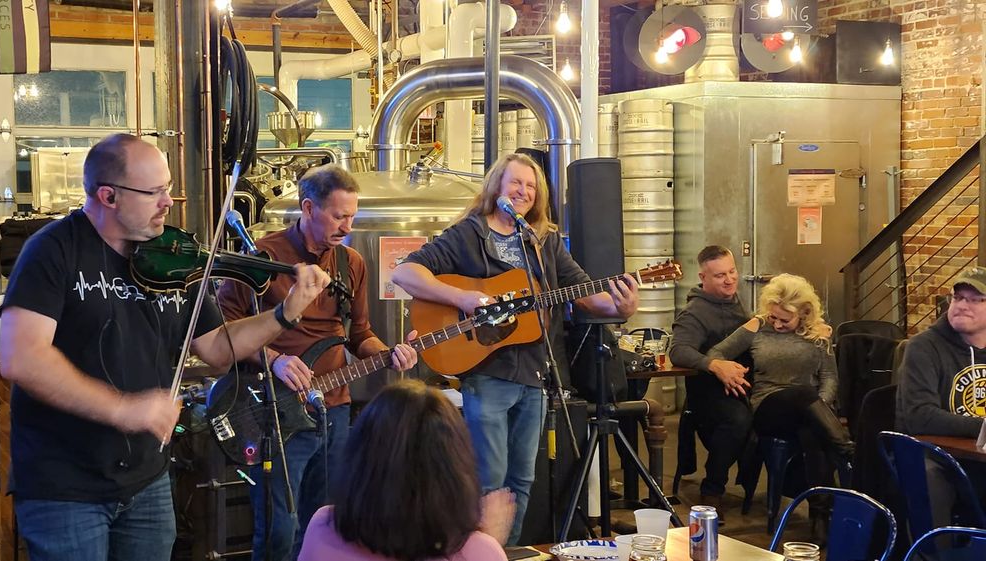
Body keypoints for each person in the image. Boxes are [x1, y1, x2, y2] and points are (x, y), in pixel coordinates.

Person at [0, 133, 330, 561]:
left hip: (146, 480)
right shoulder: (53, 250)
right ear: (108, 196)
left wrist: (285, 313)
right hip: (65, 485)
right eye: (154, 192)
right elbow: (22, 357)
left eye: (168, 188)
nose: (168, 202)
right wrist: (124, 409)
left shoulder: (169, 257)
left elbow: (217, 347)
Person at [391, 153, 639, 544]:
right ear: (496, 186)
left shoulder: (542, 242)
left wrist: (621, 307)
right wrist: (466, 298)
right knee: (488, 479)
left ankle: (504, 551)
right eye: (516, 183)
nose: (523, 192)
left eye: (531, 186)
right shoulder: (468, 235)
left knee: (521, 480)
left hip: (536, 374)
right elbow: (405, 271)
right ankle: (476, 553)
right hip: (489, 373)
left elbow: (587, 296)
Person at [216, 164, 419, 561]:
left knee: (324, 526)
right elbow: (223, 332)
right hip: (275, 413)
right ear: (308, 208)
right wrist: (273, 359)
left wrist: (390, 354)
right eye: (339, 216)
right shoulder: (263, 258)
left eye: (353, 216)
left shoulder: (352, 264)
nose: (348, 225)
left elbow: (359, 334)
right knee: (279, 531)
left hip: (334, 410)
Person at [298, 379, 513, 561]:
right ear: (456, 468)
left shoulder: (321, 528)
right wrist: (488, 542)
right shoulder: (479, 551)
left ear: (358, 455)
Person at [706, 274, 854, 523]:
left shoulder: (818, 334)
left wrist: (821, 405)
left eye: (784, 320)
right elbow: (716, 352)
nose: (776, 324)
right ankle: (846, 451)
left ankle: (820, 517)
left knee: (812, 431)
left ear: (804, 314)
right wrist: (726, 371)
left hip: (810, 410)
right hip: (769, 408)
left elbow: (829, 377)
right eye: (773, 316)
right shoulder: (757, 326)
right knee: (805, 394)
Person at [667, 246, 753, 513]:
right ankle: (712, 490)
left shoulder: (738, 301)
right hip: (709, 395)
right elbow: (678, 351)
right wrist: (714, 365)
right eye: (719, 276)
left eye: (732, 272)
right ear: (703, 277)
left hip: (745, 388)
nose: (729, 280)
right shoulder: (695, 312)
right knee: (738, 420)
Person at [897, 267, 986, 438]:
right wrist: (983, 428)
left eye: (975, 300)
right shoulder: (923, 347)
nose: (961, 306)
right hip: (935, 455)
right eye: (957, 298)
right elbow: (921, 416)